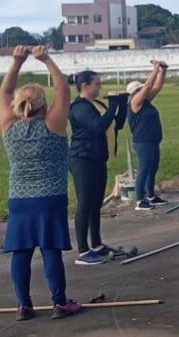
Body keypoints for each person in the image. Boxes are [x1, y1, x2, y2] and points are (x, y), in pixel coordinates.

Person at [2, 45, 82, 321]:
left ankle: (24, 305)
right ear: (43, 105)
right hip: (50, 197)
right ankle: (59, 302)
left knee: (20, 253)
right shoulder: (53, 125)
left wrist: (16, 63)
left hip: (19, 200)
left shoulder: (9, 127)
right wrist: (45, 59)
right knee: (51, 250)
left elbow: (3, 92)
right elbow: (64, 91)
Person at [67, 69, 128, 265]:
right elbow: (98, 126)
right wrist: (112, 105)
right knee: (85, 203)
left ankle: (97, 244)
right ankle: (83, 250)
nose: (100, 87)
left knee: (95, 203)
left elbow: (115, 124)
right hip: (82, 159)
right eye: (97, 84)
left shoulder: (96, 104)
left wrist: (122, 105)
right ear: (85, 86)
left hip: (97, 159)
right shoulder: (79, 107)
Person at [127, 60, 168, 211]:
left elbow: (157, 86)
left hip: (153, 140)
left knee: (153, 168)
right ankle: (140, 200)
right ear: (135, 92)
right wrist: (155, 69)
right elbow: (149, 86)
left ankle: (151, 195)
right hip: (143, 141)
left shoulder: (146, 102)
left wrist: (163, 71)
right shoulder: (135, 102)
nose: (144, 91)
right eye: (140, 89)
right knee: (144, 169)